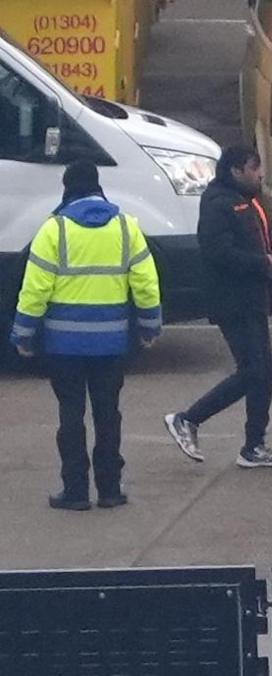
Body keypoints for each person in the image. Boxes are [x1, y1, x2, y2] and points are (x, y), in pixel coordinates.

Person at [10, 160, 161, 510]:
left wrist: (23, 334)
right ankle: (110, 489)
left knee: (71, 416)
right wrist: (150, 326)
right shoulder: (126, 227)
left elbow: (35, 290)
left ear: (67, 188)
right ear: (98, 186)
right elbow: (146, 283)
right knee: (109, 415)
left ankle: (75, 491)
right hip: (111, 344)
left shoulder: (54, 230)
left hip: (65, 347)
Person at [164, 146, 272, 469]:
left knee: (265, 372)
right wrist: (259, 264)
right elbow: (216, 251)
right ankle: (188, 419)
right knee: (253, 371)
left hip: (251, 298)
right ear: (236, 170)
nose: (260, 174)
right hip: (232, 300)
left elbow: (250, 245)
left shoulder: (244, 201)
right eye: (254, 168)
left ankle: (254, 446)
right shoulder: (219, 203)